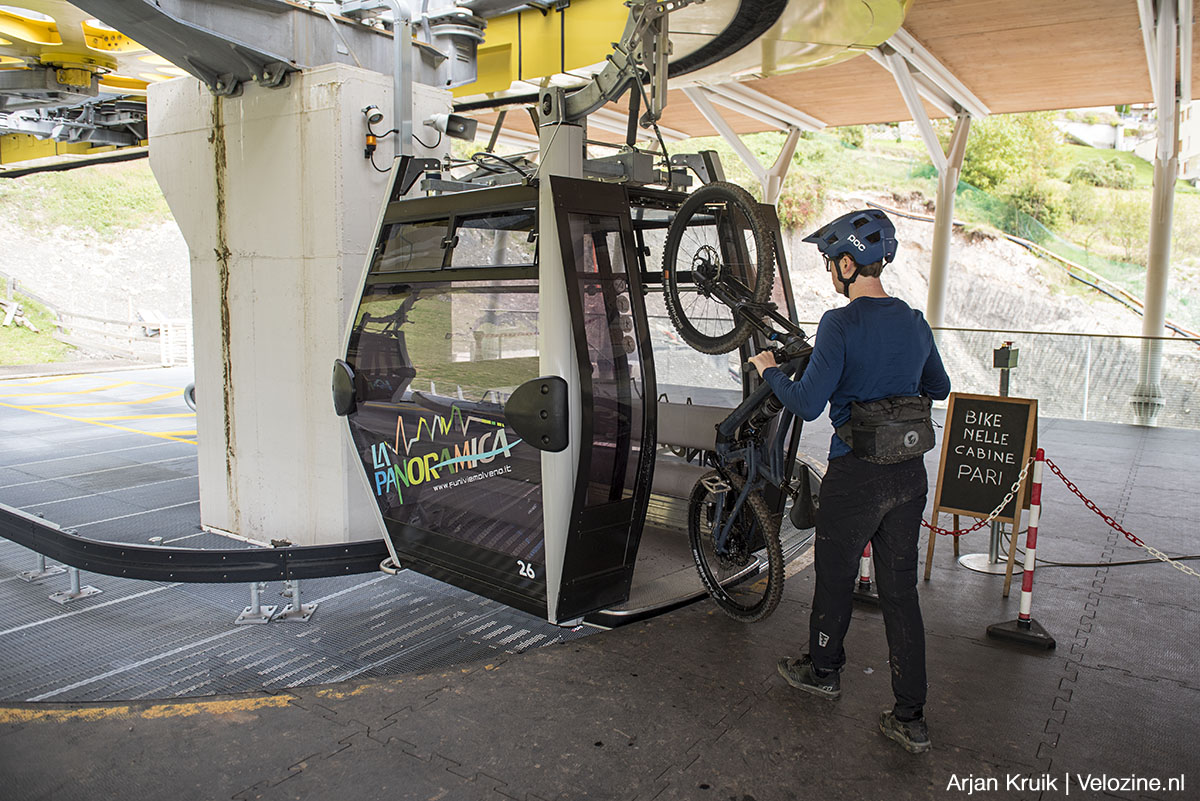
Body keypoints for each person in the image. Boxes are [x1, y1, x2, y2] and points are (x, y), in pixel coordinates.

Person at [747, 208, 951, 754]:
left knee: (835, 578)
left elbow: (808, 404)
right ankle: (910, 716)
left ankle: (823, 670)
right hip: (908, 475)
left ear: (846, 262)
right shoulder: (912, 320)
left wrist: (769, 369)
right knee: (900, 594)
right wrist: (892, 393)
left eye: (826, 262)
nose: (826, 272)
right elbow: (940, 385)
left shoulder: (839, 324)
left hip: (856, 474)